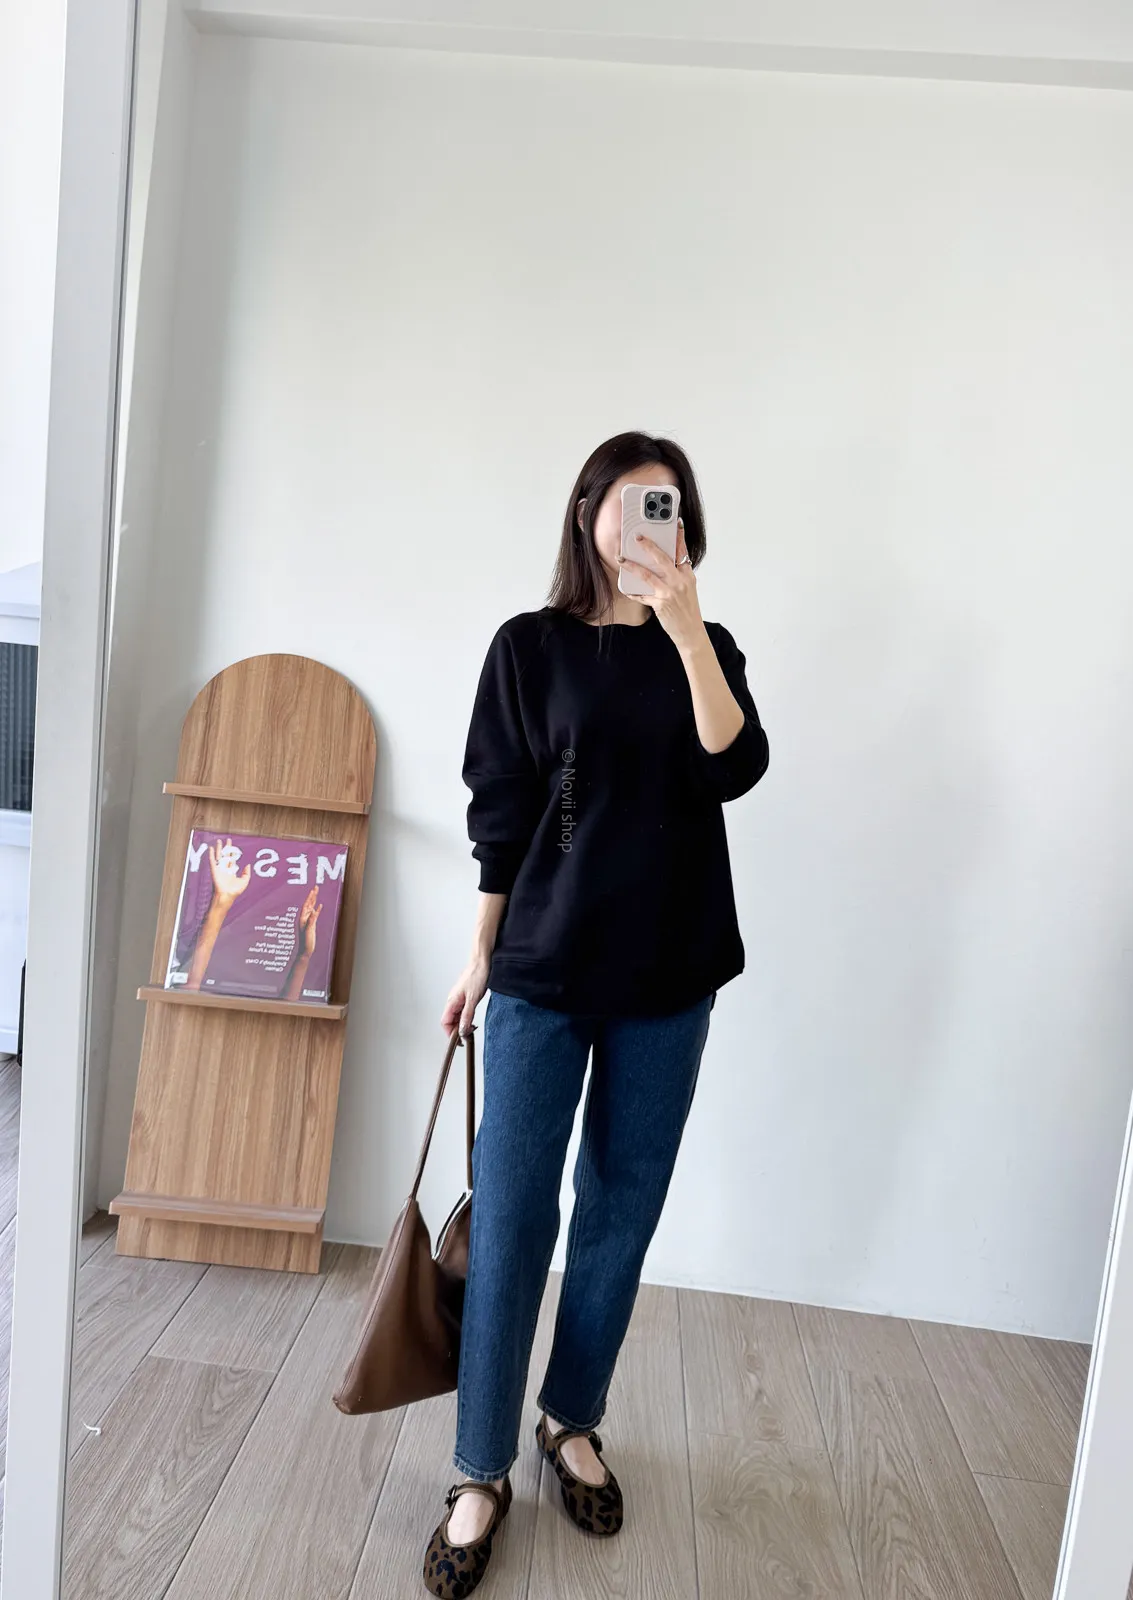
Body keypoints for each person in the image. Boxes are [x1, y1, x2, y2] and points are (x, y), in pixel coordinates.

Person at [422, 431, 770, 1598]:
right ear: (587, 516)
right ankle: (478, 1466)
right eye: (629, 503)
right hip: (541, 971)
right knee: (511, 1216)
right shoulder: (528, 647)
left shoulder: (706, 647)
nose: (646, 523)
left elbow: (733, 767)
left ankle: (569, 1417)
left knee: (619, 1211)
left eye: (667, 506)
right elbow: (504, 808)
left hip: (670, 977)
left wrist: (686, 632)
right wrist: (479, 955)